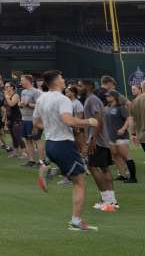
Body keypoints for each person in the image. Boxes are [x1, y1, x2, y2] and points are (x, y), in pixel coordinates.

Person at [34, 70, 100, 231]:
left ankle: (46, 168)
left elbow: (36, 122)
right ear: (56, 82)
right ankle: (76, 222)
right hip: (63, 144)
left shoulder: (41, 98)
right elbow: (68, 120)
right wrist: (88, 121)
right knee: (80, 182)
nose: (64, 80)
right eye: (62, 78)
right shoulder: (63, 99)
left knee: (72, 174)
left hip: (50, 143)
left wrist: (50, 127)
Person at [80, 80, 117, 211]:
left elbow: (98, 120)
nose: (79, 88)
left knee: (93, 167)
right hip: (101, 139)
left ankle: (107, 200)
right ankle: (111, 200)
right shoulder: (90, 99)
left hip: (98, 140)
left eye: (81, 85)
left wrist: (93, 139)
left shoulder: (92, 100)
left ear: (88, 86)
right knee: (103, 168)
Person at [103, 89, 136, 184]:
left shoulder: (121, 107)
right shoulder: (106, 108)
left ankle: (133, 177)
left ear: (114, 97)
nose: (107, 97)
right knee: (115, 156)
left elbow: (128, 118)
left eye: (109, 96)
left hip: (121, 136)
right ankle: (123, 174)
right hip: (110, 136)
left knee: (126, 155)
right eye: (106, 96)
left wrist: (123, 128)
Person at [19, 74, 42, 167]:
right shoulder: (23, 91)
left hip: (33, 119)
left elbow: (40, 106)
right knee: (27, 140)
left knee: (37, 140)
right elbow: (22, 104)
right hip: (24, 118)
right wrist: (20, 104)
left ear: (28, 81)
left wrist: (28, 104)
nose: (21, 82)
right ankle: (31, 161)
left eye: (22, 80)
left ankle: (42, 162)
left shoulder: (36, 92)